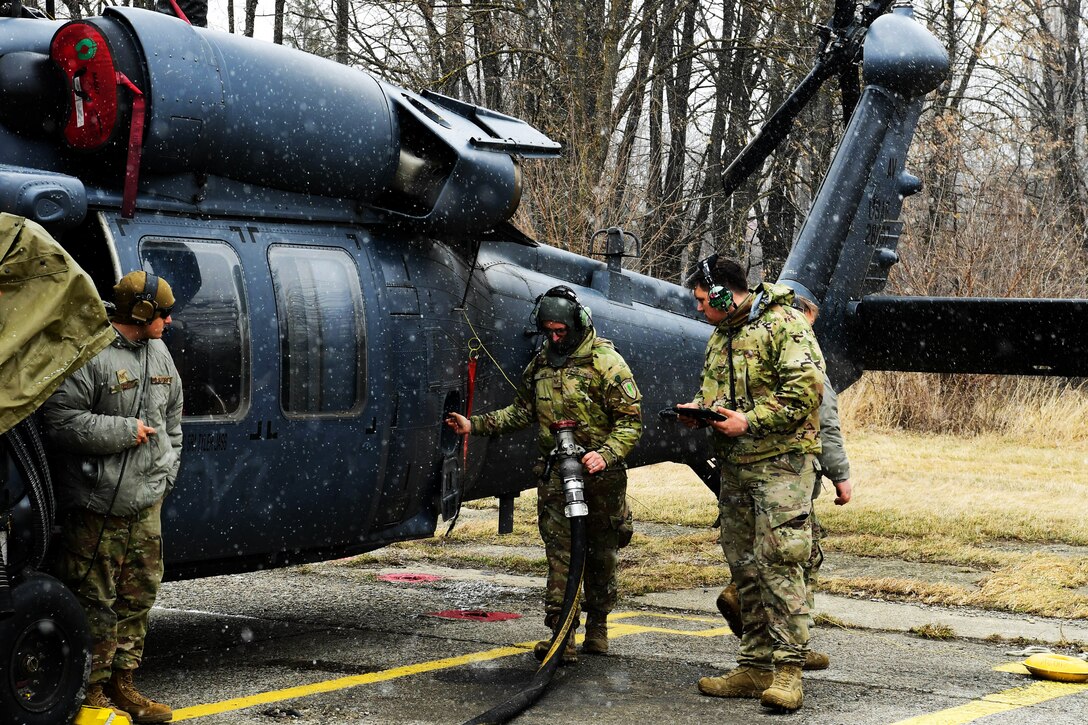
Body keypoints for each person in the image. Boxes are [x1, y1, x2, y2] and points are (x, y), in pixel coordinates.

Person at [446, 286, 642, 662]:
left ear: (578, 324)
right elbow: (522, 411)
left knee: (601, 550)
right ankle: (562, 633)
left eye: (561, 331)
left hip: (601, 477)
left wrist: (605, 455)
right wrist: (474, 425)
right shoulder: (540, 366)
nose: (554, 338)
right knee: (561, 554)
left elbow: (630, 423)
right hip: (556, 476)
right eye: (548, 331)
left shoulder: (607, 364)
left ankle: (598, 627)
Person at [678, 255, 823, 712]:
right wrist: (702, 412)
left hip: (781, 466)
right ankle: (755, 665)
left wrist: (750, 421)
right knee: (744, 567)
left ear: (723, 292)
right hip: (736, 468)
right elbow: (716, 392)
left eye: (703, 300)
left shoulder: (786, 324)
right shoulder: (721, 335)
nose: (700, 309)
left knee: (781, 565)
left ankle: (789, 672)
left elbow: (805, 391)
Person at [43, 270, 183, 724]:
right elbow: (59, 421)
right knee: (93, 599)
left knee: (138, 597)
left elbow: (174, 419)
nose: (168, 321)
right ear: (141, 313)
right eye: (162, 314)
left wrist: (165, 473)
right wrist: (123, 431)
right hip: (97, 506)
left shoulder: (159, 352)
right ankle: (91, 691)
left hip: (146, 504)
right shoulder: (92, 354)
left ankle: (125, 685)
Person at [714, 293, 852, 672]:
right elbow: (827, 428)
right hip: (791, 482)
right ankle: (792, 650)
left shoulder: (754, 356)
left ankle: (759, 648)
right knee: (797, 562)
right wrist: (841, 476)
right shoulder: (805, 368)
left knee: (760, 555)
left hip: (751, 474)